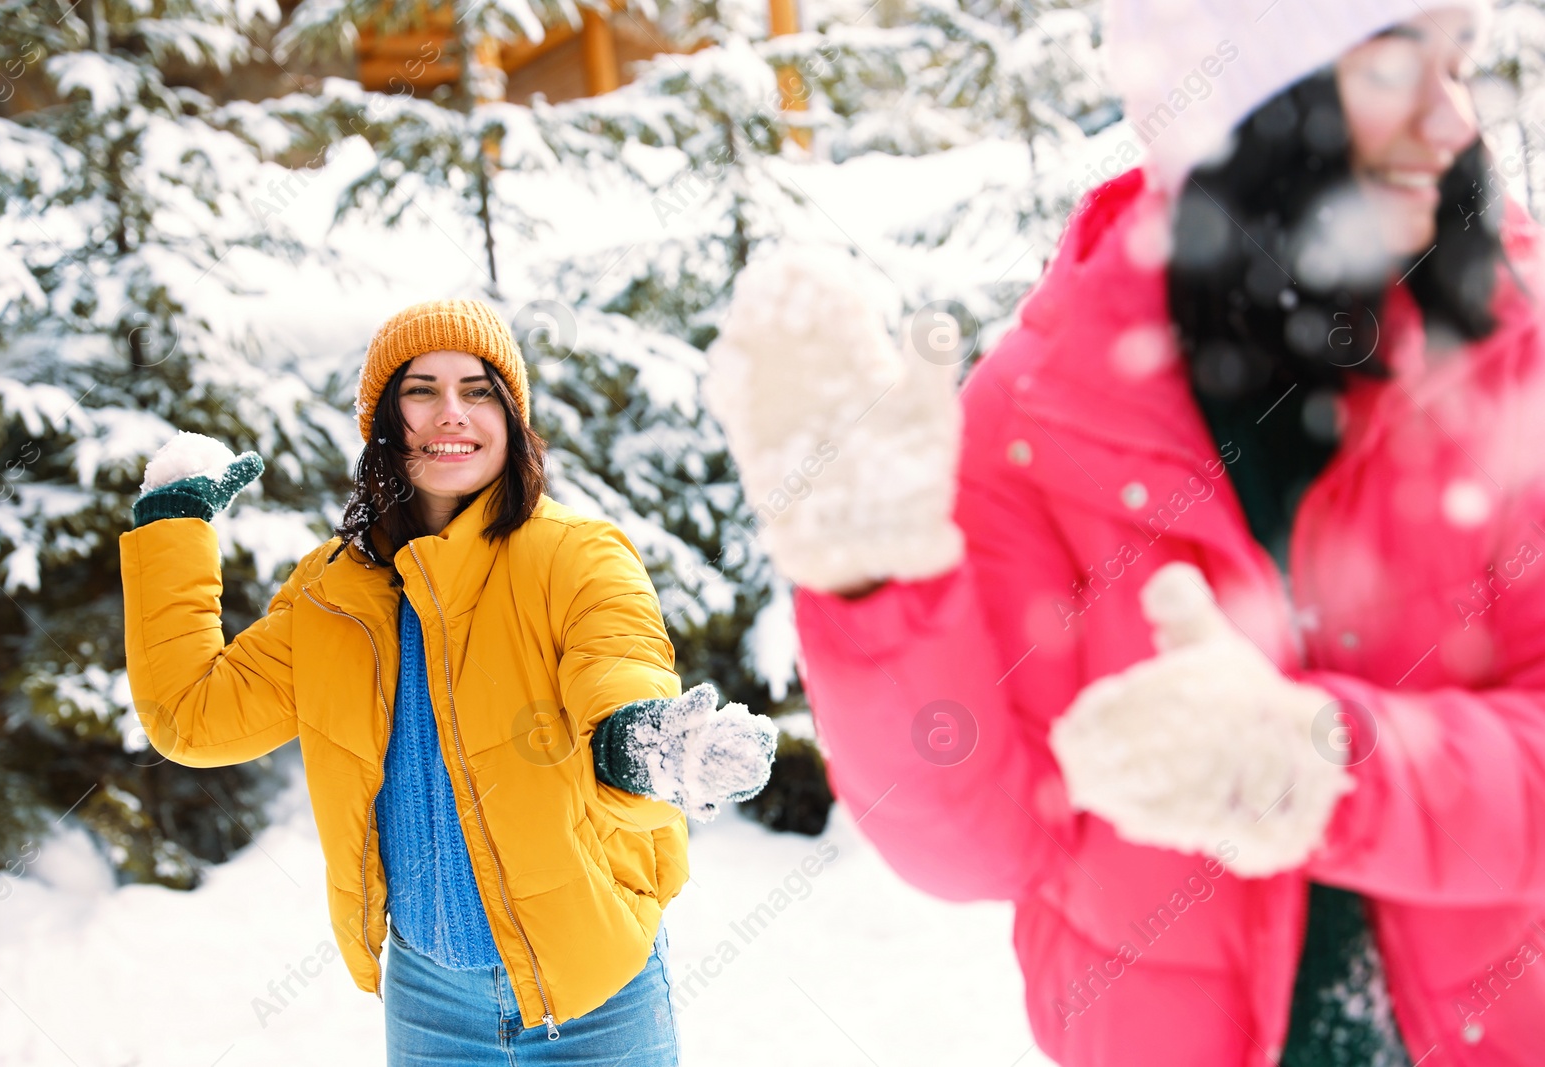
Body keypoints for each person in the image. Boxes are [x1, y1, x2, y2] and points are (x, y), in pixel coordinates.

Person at [706, 1, 1545, 1064]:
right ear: (1247, 102)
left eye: (1457, 63)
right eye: (1391, 70)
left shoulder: (1515, 355)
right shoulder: (1046, 406)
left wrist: (1326, 766)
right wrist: (870, 586)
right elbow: (979, 844)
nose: (1448, 121)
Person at [119, 298, 778, 1065]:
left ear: (511, 415)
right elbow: (190, 716)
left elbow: (618, 666)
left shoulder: (576, 555)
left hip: (595, 985)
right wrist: (171, 527)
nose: (451, 413)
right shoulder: (332, 594)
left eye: (478, 389)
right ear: (385, 423)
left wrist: (642, 743)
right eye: (420, 389)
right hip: (429, 1000)